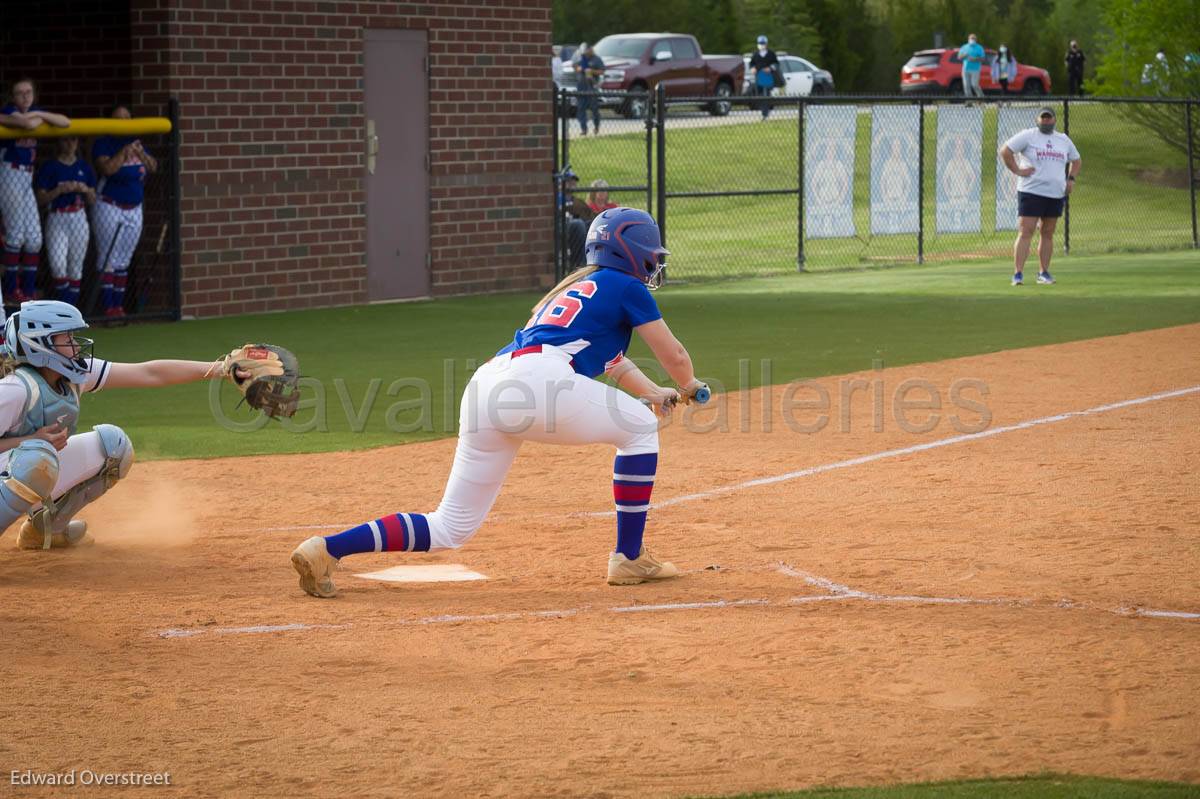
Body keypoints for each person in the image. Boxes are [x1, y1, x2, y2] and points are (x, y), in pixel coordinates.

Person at [290, 207, 709, 598]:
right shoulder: (626, 286)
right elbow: (673, 355)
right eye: (650, 256)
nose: (653, 264)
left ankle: (327, 549)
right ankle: (629, 557)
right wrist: (689, 384)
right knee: (638, 428)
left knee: (449, 526)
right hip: (538, 383)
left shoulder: (574, 289)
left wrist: (651, 393)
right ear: (633, 253)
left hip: (488, 385)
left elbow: (613, 361)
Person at [0, 300, 270, 550]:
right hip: (16, 469)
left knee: (113, 447)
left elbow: (149, 372)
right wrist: (29, 441)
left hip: (19, 471)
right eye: (67, 338)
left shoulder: (73, 375)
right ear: (40, 344)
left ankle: (45, 528)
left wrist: (222, 368)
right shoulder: (15, 390)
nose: (76, 343)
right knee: (36, 457)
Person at [0, 78, 71, 307]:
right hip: (8, 173)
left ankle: (28, 291)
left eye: (28, 92)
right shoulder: (8, 111)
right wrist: (32, 119)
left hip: (26, 176)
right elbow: (28, 125)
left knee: (34, 239)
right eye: (19, 93)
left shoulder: (36, 112)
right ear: (13, 96)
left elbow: (64, 122)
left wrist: (41, 116)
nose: (24, 97)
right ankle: (12, 290)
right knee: (16, 236)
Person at [998, 107, 1081, 286]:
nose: (1045, 121)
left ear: (1054, 120)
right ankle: (1018, 274)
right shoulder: (1028, 135)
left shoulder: (1063, 140)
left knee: (1048, 232)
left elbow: (1076, 160)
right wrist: (1017, 170)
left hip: (1055, 193)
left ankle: (1043, 272)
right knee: (1026, 231)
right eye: (1043, 118)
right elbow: (1005, 151)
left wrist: (1071, 179)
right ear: (1037, 120)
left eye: (1048, 118)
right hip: (1031, 191)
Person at [92, 104, 157, 318]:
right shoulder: (104, 143)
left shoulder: (137, 142)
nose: (124, 123)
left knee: (124, 259)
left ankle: (118, 307)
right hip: (109, 206)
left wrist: (138, 152)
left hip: (134, 208)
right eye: (119, 119)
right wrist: (123, 153)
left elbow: (153, 167)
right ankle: (108, 307)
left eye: (127, 118)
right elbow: (107, 169)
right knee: (107, 259)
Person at [35, 136, 95, 308]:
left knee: (75, 268)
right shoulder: (50, 167)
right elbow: (41, 198)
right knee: (58, 265)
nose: (70, 144)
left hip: (78, 216)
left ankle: (70, 313)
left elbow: (93, 199)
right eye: (66, 140)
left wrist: (84, 189)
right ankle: (66, 309)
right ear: (59, 142)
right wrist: (59, 190)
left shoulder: (84, 167)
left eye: (74, 140)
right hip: (57, 216)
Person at [557, 166, 590, 269]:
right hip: (561, 225)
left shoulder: (577, 200)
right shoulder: (557, 196)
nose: (572, 184)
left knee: (590, 224)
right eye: (568, 181)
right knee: (578, 224)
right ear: (560, 183)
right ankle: (578, 267)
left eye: (573, 181)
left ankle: (591, 264)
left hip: (575, 225)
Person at [574, 42, 604, 135]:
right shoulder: (581, 58)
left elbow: (602, 71)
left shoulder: (597, 59)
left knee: (594, 108)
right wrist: (578, 68)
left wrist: (592, 71)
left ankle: (596, 127)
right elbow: (575, 66)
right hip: (581, 87)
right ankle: (583, 129)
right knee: (581, 108)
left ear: (591, 49)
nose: (587, 51)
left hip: (592, 87)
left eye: (588, 49)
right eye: (585, 50)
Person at [748, 35, 780, 119]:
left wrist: (770, 68)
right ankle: (765, 111)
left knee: (766, 94)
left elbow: (776, 64)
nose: (761, 45)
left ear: (766, 44)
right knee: (760, 94)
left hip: (768, 77)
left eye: (763, 43)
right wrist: (752, 68)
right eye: (759, 43)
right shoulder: (755, 54)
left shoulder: (771, 54)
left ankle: (765, 114)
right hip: (759, 77)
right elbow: (751, 64)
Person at [957, 34, 986, 99]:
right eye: (971, 38)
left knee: (975, 85)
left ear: (976, 40)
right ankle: (969, 100)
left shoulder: (979, 48)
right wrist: (964, 55)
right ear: (968, 39)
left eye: (973, 38)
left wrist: (975, 59)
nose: (972, 40)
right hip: (965, 69)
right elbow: (959, 57)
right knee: (966, 86)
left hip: (975, 69)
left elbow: (983, 58)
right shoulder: (964, 47)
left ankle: (981, 98)